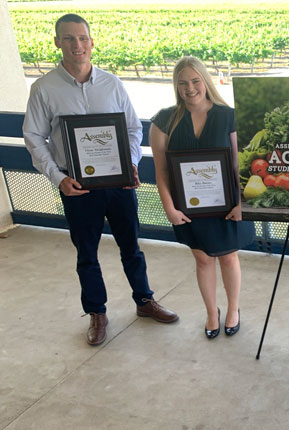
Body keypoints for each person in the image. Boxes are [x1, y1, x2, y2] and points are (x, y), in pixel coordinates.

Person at [22, 14, 178, 346]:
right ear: (56, 42)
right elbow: (34, 138)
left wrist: (132, 163)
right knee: (87, 254)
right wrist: (58, 178)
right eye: (68, 38)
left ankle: (144, 301)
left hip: (119, 185)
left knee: (131, 247)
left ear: (92, 42)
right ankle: (97, 312)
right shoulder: (44, 89)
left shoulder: (113, 84)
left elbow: (134, 129)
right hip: (76, 189)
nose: (76, 45)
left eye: (82, 38)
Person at [150, 56, 252, 339]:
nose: (190, 88)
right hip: (189, 206)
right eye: (183, 83)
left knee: (229, 258)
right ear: (176, 86)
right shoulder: (164, 121)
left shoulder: (228, 116)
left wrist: (241, 203)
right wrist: (169, 208)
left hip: (226, 203)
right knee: (203, 260)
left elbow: (238, 165)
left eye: (195, 81)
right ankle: (211, 312)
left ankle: (233, 309)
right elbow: (161, 173)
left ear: (205, 82)